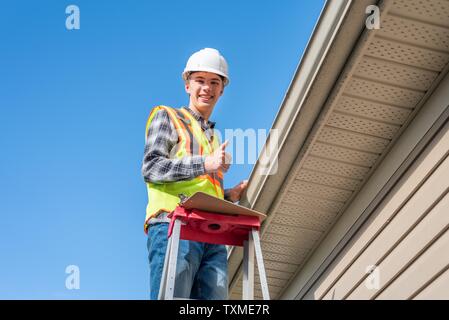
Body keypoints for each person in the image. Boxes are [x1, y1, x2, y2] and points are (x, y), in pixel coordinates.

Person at [141, 48, 248, 299]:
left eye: (214, 82)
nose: (206, 88)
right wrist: (205, 164)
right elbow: (152, 167)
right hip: (174, 225)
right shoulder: (167, 116)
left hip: (211, 233)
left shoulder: (213, 137)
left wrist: (229, 195)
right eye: (200, 81)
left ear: (222, 90)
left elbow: (201, 188)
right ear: (187, 84)